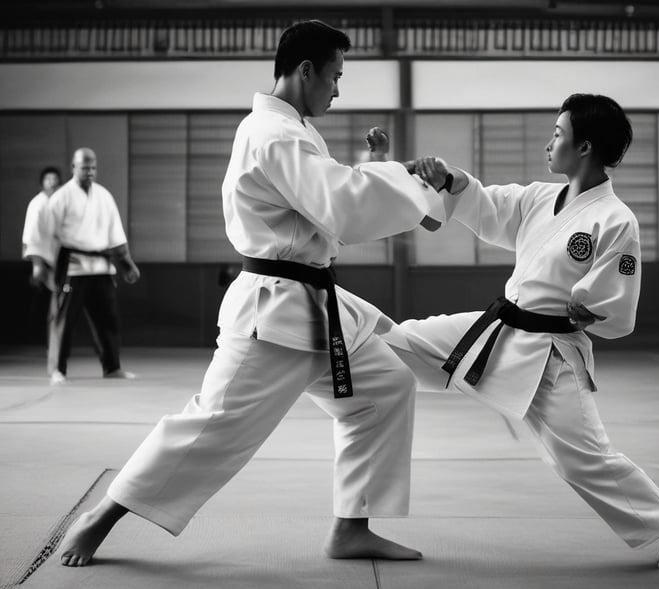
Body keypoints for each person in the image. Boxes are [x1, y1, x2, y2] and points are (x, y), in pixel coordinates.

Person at [58, 20, 445, 568]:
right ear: (305, 70)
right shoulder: (274, 134)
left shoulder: (293, 132)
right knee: (211, 426)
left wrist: (385, 171)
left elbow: (327, 195)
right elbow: (343, 205)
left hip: (312, 303)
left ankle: (352, 527)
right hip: (276, 308)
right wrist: (398, 179)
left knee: (384, 388)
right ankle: (100, 518)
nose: (338, 89)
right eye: (335, 76)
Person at [379, 94, 659, 570]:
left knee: (582, 459)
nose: (549, 144)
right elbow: (484, 203)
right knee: (397, 341)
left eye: (557, 134)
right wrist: (446, 179)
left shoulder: (615, 220)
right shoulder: (540, 198)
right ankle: (333, 351)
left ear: (584, 147)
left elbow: (617, 297)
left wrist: (589, 304)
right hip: (500, 329)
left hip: (551, 354)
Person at [24, 148, 140, 385]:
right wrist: (41, 267)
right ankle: (58, 369)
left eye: (93, 167)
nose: (90, 172)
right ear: (74, 167)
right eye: (85, 167)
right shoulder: (61, 198)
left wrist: (127, 264)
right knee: (63, 320)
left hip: (100, 267)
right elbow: (45, 236)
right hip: (72, 268)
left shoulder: (104, 196)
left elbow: (116, 235)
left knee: (108, 320)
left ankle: (112, 366)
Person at [22, 166, 62, 353]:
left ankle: (52, 344)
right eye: (48, 179)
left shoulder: (58, 203)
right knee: (46, 304)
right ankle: (45, 344)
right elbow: (30, 236)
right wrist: (36, 264)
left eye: (55, 179)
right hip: (42, 259)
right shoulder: (37, 203)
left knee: (55, 303)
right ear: (42, 183)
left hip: (56, 259)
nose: (52, 183)